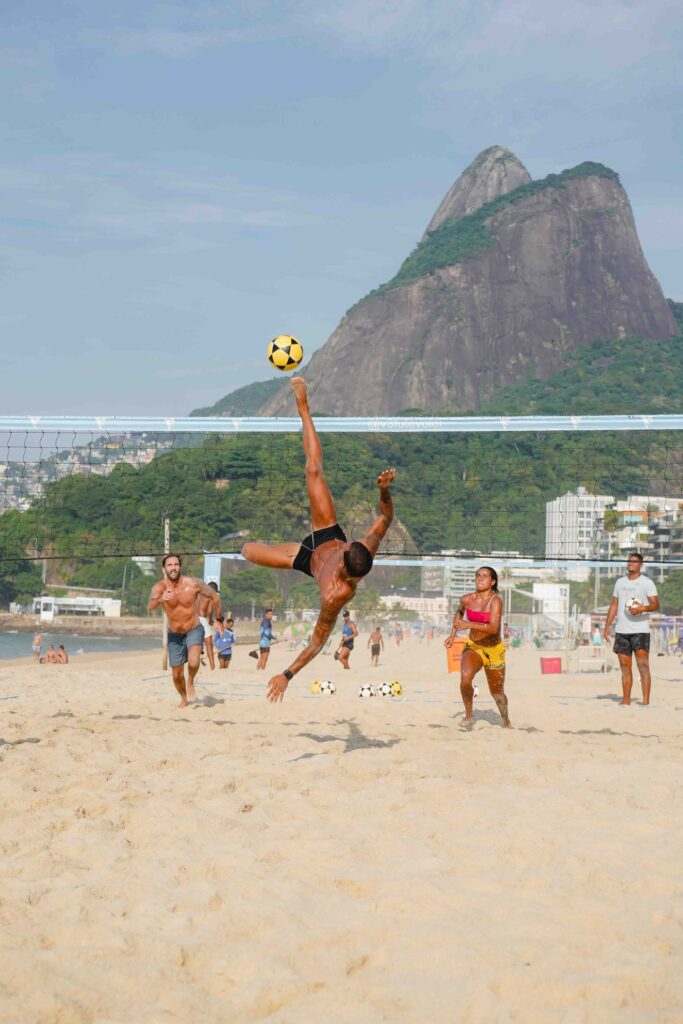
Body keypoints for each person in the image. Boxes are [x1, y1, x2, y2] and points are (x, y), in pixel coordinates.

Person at [241, 376, 396, 702]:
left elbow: (317, 641)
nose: (349, 548)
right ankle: (303, 407)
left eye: (344, 555)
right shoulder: (362, 548)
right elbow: (385, 518)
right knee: (313, 469)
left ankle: (248, 546)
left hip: (304, 560)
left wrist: (287, 674)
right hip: (325, 533)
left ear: (344, 570)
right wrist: (383, 491)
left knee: (247, 551)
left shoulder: (334, 596)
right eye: (351, 546)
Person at [148, 553, 222, 707]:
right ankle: (183, 697)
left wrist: (220, 619)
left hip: (193, 629)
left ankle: (191, 681)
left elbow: (214, 596)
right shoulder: (159, 587)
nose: (173, 568)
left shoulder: (193, 584)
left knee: (194, 662)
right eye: (170, 565)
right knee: (176, 675)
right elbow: (151, 606)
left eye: (176, 564)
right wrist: (160, 599)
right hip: (174, 635)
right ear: (164, 569)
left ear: (180, 566)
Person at [445, 566, 510, 727]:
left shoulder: (496, 601)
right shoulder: (467, 599)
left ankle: (506, 720)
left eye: (485, 576)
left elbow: (494, 628)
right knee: (465, 678)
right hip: (474, 646)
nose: (480, 578)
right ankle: (469, 716)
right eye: (478, 575)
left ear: (493, 581)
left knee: (497, 694)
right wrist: (452, 634)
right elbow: (459, 614)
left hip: (494, 650)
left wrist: (469, 624)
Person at [603, 552, 659, 706]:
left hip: (640, 630)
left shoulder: (647, 583)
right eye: (629, 561)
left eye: (634, 562)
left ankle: (645, 701)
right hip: (621, 630)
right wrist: (607, 625)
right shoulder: (620, 582)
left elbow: (656, 604)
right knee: (624, 667)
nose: (631, 564)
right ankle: (626, 699)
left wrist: (643, 608)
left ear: (641, 565)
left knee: (642, 665)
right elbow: (614, 604)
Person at [198, 581, 219, 671]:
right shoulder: (209, 597)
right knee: (209, 644)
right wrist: (210, 620)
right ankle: (212, 667)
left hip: (191, 618)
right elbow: (210, 610)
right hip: (202, 619)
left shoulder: (197, 594)